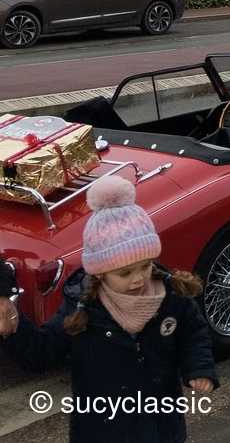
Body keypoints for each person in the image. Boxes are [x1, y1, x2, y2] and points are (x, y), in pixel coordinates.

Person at [0, 174, 218, 442]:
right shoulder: (82, 309)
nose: (138, 279)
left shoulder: (172, 297)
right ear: (100, 272)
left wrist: (199, 368)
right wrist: (15, 328)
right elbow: (42, 352)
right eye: (124, 273)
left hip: (161, 426)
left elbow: (194, 335)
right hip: (101, 430)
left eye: (145, 266)